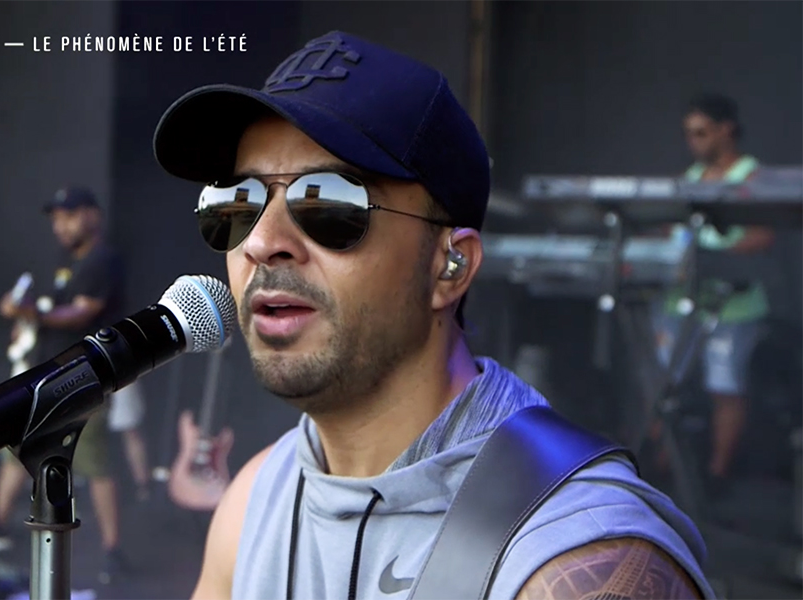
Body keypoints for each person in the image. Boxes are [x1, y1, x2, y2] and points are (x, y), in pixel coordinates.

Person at [151, 31, 715, 599]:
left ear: (451, 265)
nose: (260, 241)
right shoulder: (252, 506)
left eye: (327, 202)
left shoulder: (578, 561)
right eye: (238, 202)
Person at [0, 187, 143, 584]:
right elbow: (45, 309)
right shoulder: (63, 263)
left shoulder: (103, 260)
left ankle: (111, 549)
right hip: (45, 376)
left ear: (93, 216)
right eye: (56, 218)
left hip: (85, 379)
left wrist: (29, 313)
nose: (60, 226)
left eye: (69, 216)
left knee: (95, 462)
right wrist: (23, 319)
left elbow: (81, 314)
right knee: (17, 452)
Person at [653, 93, 775, 486]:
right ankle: (662, 468)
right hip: (681, 301)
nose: (693, 142)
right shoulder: (690, 178)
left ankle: (717, 475)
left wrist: (712, 259)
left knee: (725, 387)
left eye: (701, 133)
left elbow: (763, 236)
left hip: (732, 305)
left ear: (726, 130)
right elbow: (670, 232)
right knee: (664, 385)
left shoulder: (752, 178)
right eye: (689, 134)